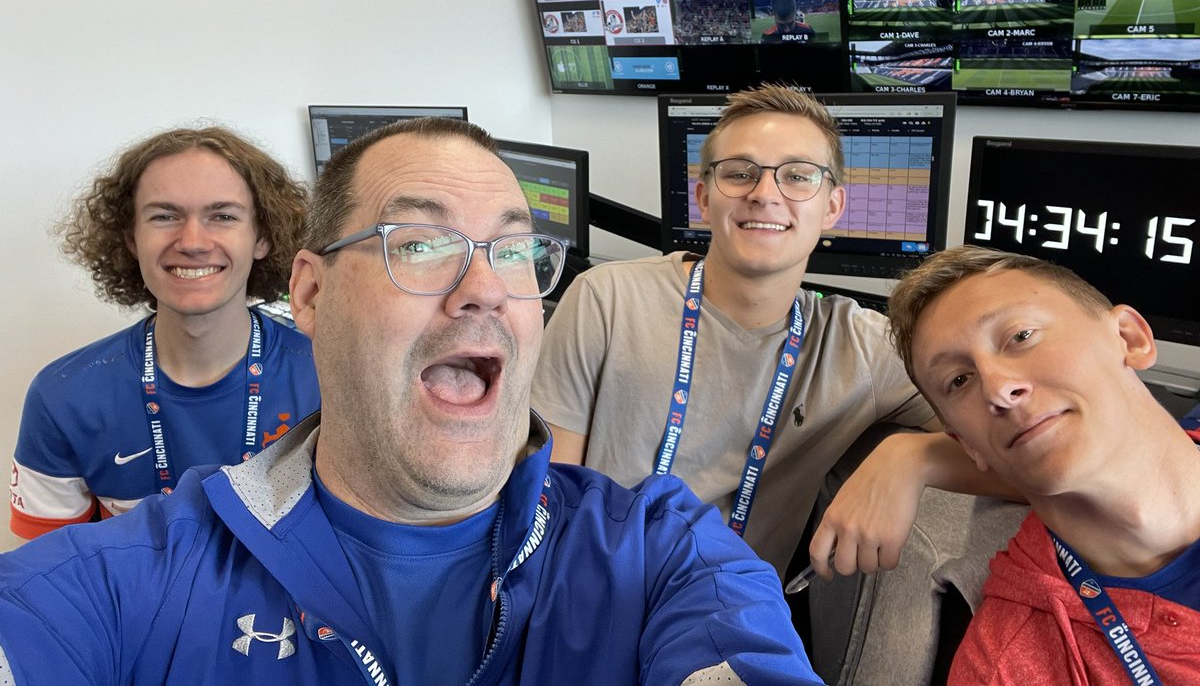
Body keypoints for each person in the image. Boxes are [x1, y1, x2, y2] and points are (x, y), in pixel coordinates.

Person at [0, 118, 820, 685]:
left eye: (513, 248)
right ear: (312, 295)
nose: (484, 288)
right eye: (419, 245)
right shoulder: (131, 580)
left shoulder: (660, 550)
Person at [533, 84, 996, 580]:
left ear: (833, 207)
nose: (764, 193)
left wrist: (914, 457)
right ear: (704, 199)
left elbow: (1022, 452)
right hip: (585, 586)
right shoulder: (606, 298)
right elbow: (547, 498)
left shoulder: (863, 349)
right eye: (739, 173)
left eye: (797, 176)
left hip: (724, 613)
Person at [888, 245, 1200, 684]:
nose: (997, 389)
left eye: (1021, 336)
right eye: (959, 381)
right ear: (968, 446)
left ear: (1129, 338)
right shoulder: (1005, 668)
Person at [10, 126, 319, 539]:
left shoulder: (330, 376)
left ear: (262, 237)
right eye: (164, 216)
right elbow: (46, 576)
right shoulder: (64, 395)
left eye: (223, 216)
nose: (192, 242)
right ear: (130, 239)